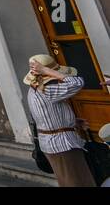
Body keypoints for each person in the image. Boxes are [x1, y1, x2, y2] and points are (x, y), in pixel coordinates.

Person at [25, 53, 94, 187]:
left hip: (54, 143)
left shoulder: (34, 89)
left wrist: (72, 122)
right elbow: (77, 82)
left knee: (72, 180)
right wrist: (47, 70)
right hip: (62, 145)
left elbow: (47, 115)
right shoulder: (48, 90)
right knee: (76, 182)